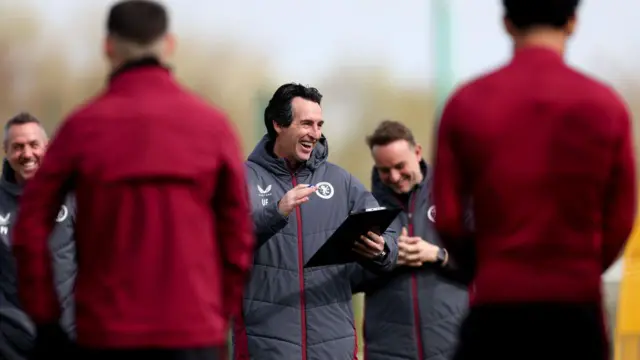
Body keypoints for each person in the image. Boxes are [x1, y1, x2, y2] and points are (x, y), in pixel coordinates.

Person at [11, 1, 254, 359]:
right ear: (169, 45)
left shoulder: (83, 128)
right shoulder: (212, 127)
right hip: (193, 331)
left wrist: (46, 321)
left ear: (108, 47)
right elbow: (238, 235)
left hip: (107, 334)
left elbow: (29, 227)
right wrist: (219, 311)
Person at [432, 1, 636, 359]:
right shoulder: (606, 106)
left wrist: (491, 266)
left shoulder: (466, 103)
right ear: (573, 22)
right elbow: (621, 217)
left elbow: (448, 216)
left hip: (497, 308)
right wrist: (582, 266)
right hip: (576, 309)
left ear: (507, 23)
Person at [232, 83, 398, 360]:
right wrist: (276, 213)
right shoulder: (242, 179)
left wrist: (381, 250)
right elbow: (222, 241)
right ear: (277, 124)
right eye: (306, 123)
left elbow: (388, 233)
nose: (316, 133)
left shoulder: (340, 181)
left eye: (319, 124)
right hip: (266, 348)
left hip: (334, 348)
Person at [349, 120, 469, 360]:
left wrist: (437, 254)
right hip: (389, 351)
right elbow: (348, 278)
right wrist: (386, 259)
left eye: (400, 166)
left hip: (453, 345)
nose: (394, 176)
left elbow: (483, 261)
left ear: (417, 152)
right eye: (384, 169)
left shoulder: (454, 196)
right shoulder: (366, 209)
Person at [0, 113, 76, 360]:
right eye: (18, 147)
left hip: (69, 340)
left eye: (34, 145)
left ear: (47, 147)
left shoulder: (73, 196)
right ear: (5, 151)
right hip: (10, 345)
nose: (27, 154)